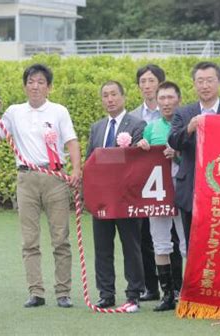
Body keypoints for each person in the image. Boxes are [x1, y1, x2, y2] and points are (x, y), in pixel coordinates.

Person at [0, 63, 81, 308]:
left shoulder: (59, 111)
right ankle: (36, 292)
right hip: (26, 179)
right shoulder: (14, 111)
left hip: (55, 178)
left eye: (40, 82)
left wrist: (77, 171)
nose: (35, 86)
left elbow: (71, 142)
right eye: (31, 81)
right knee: (30, 240)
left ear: (48, 87)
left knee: (61, 238)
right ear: (25, 85)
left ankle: (63, 292)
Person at [168, 61, 220, 250]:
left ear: (219, 82)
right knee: (194, 247)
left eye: (209, 80)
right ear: (194, 84)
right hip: (191, 189)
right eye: (200, 81)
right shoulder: (183, 113)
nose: (205, 86)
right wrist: (190, 128)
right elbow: (174, 142)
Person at [86, 80, 145, 311]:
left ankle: (133, 294)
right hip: (102, 198)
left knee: (131, 246)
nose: (109, 99)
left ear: (123, 97)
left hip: (127, 199)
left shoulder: (137, 125)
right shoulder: (97, 127)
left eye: (113, 94)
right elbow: (91, 161)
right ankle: (106, 293)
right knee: (102, 247)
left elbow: (139, 162)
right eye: (105, 95)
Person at [130, 64, 183, 302]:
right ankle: (167, 294)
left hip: (182, 190)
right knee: (159, 241)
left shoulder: (187, 124)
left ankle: (188, 291)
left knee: (185, 241)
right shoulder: (150, 128)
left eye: (171, 97)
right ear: (157, 101)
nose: (166, 102)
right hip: (157, 194)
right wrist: (141, 148)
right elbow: (140, 162)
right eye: (162, 98)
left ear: (179, 100)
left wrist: (179, 153)